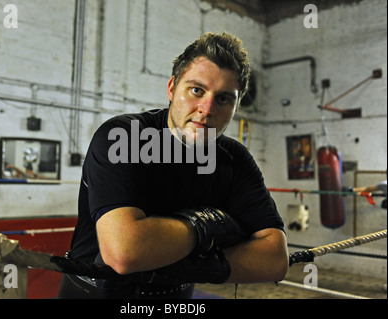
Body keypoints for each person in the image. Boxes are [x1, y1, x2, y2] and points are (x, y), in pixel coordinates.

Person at [57, 32, 288, 299]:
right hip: (92, 292)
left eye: (224, 98)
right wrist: (205, 226)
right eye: (196, 90)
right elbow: (125, 252)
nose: (206, 108)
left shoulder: (235, 161)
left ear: (235, 107)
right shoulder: (123, 137)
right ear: (171, 88)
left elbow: (274, 259)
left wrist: (169, 256)